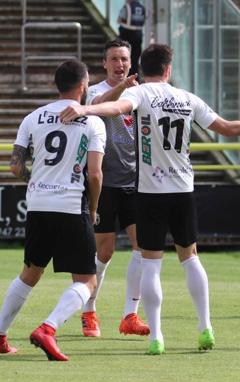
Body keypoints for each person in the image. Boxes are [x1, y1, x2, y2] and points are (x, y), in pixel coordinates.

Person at [60, 43, 240, 355]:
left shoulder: (139, 94)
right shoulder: (186, 97)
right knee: (190, 258)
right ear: (168, 69)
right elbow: (227, 128)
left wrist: (85, 108)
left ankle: (157, 336)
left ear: (140, 66)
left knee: (151, 263)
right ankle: (205, 326)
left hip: (149, 192)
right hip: (183, 190)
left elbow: (113, 109)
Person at [0, 60, 106, 361]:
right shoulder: (93, 122)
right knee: (86, 282)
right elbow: (95, 174)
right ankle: (48, 329)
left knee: (30, 273)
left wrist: (37, 179)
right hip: (70, 205)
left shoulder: (33, 118)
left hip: (38, 204)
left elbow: (15, 166)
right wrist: (92, 209)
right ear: (82, 87)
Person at [79, 39, 149, 338]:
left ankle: (130, 315)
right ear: (104, 63)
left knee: (143, 247)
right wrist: (121, 90)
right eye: (114, 59)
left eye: (124, 58)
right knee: (104, 252)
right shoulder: (95, 92)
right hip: (105, 183)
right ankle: (89, 310)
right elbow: (93, 109)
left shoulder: (143, 92)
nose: (120, 64)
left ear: (131, 62)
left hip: (137, 181)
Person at [117, 0, 146, 78]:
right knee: (135, 58)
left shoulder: (126, 7)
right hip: (138, 35)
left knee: (124, 57)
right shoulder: (142, 7)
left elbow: (119, 20)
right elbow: (143, 21)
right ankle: (135, 78)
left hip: (126, 34)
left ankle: (125, 78)